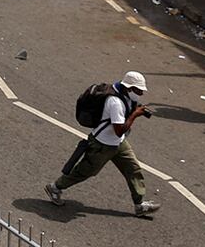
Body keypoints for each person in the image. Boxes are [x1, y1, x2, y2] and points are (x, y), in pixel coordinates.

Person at [47, 70, 159, 217]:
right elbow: (119, 130)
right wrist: (135, 115)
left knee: (133, 169)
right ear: (129, 88)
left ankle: (139, 205)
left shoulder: (125, 95)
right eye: (138, 90)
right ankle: (55, 187)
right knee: (85, 171)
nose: (141, 94)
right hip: (102, 145)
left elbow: (119, 134)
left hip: (118, 143)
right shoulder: (115, 102)